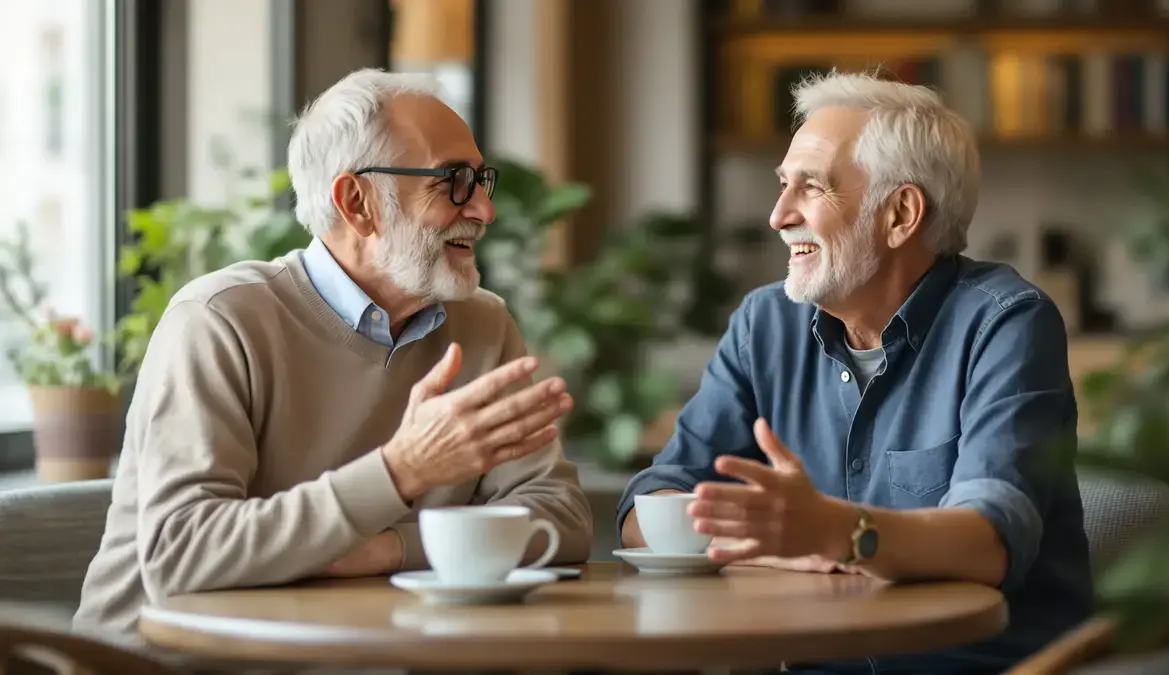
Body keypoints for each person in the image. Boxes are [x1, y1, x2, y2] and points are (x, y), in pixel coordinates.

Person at [75, 68, 594, 637]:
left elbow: (561, 519)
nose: (483, 211)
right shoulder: (219, 320)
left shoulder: (483, 325)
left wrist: (386, 549)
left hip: (349, 650)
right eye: (452, 181)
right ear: (357, 202)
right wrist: (402, 470)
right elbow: (181, 557)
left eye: (479, 180)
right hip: (156, 658)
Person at [617, 71, 1092, 674]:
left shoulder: (1006, 321)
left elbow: (989, 541)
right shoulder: (765, 323)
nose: (778, 216)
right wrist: (782, 548)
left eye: (811, 187)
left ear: (900, 214)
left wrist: (836, 532)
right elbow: (648, 507)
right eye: (783, 185)